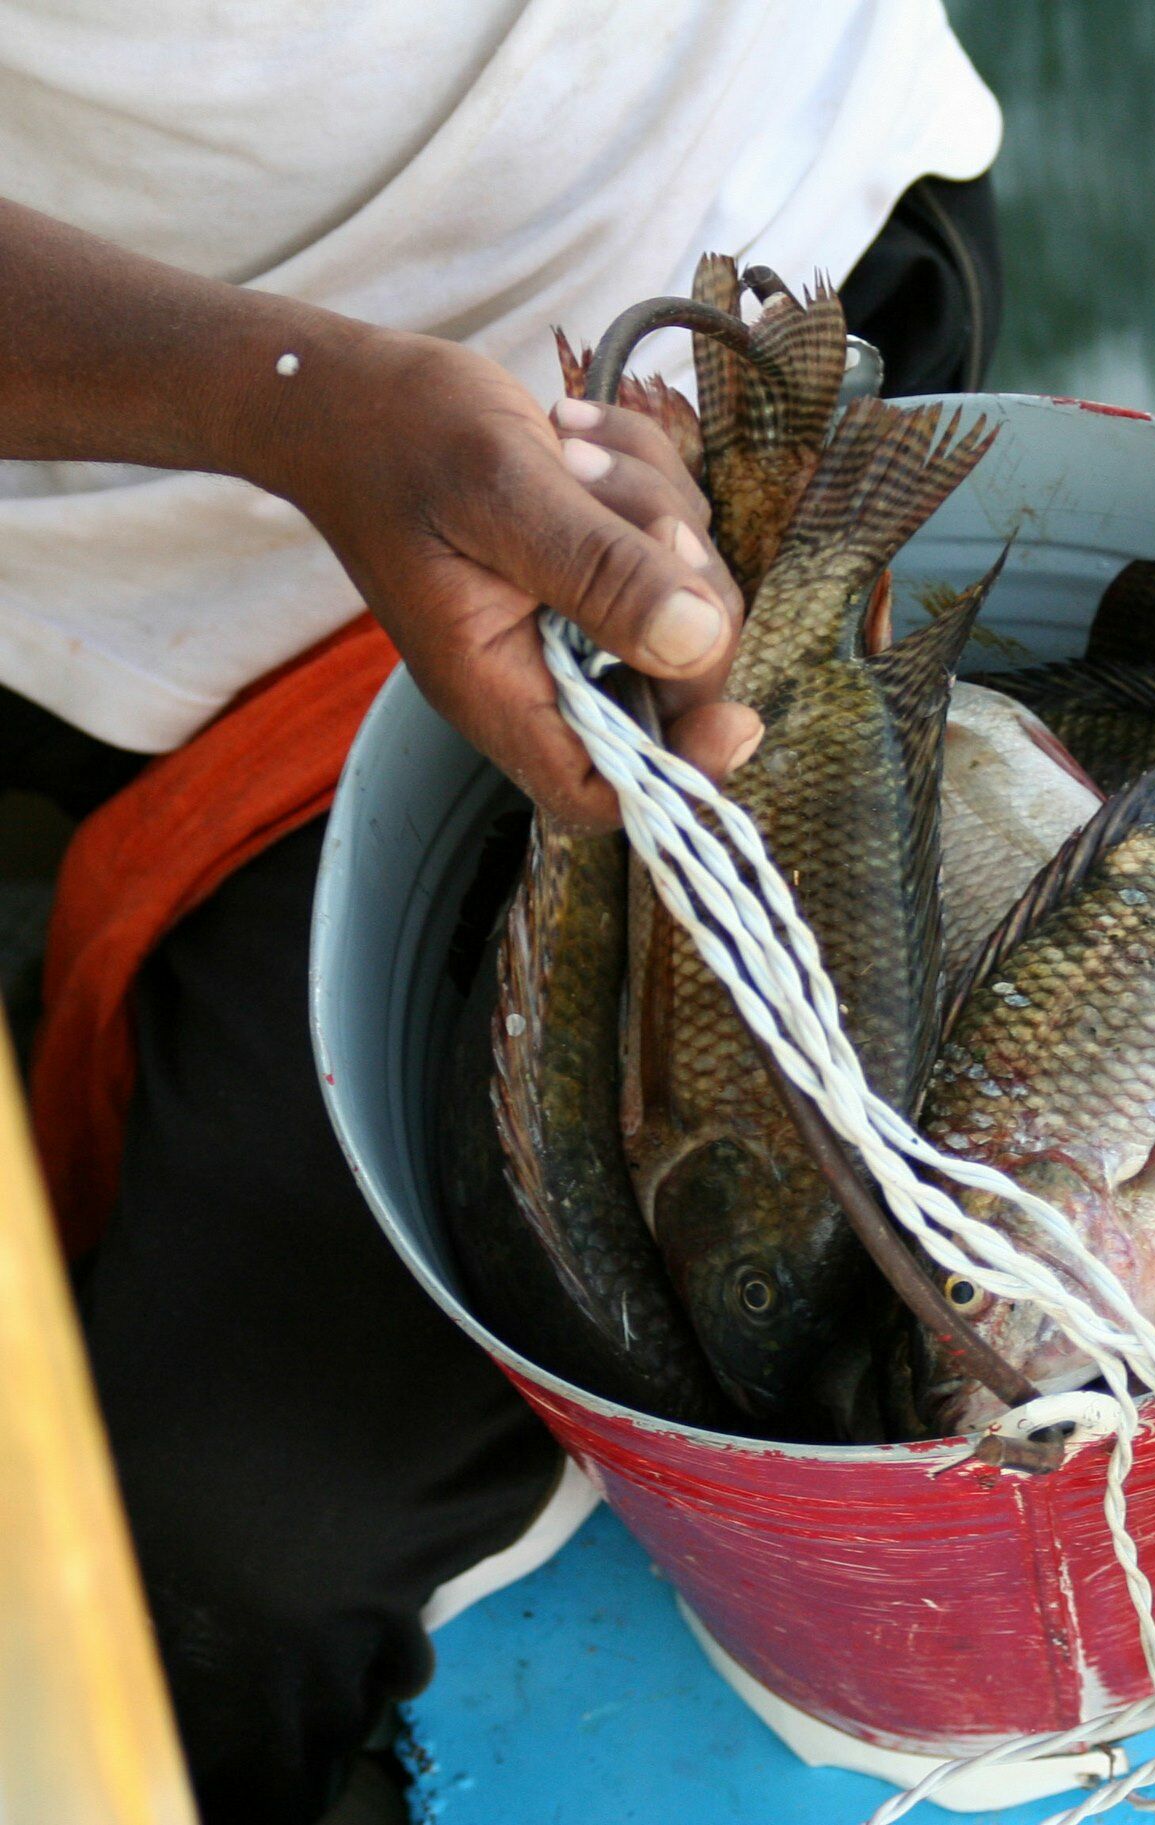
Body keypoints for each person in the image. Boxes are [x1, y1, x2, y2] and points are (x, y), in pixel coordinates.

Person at [0, 4, 1002, 1819]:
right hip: (129, 487)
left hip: (778, 242)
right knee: (209, 1549)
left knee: (221, 1548)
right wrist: (287, 403)